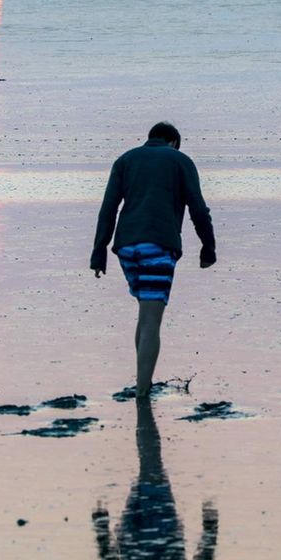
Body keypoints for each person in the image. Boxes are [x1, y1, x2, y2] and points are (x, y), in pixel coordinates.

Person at [92, 122, 216, 398]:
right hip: (158, 245)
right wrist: (209, 247)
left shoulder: (125, 160)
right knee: (151, 319)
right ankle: (142, 391)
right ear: (174, 142)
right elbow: (198, 207)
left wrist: (99, 251)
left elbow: (109, 207)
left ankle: (142, 380)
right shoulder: (180, 161)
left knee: (145, 313)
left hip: (126, 247)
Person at [93, 398, 219, 560]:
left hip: (158, 542)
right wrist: (101, 532)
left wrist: (211, 530)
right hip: (134, 545)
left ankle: (143, 403)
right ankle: (142, 403)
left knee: (150, 465)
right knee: (148, 467)